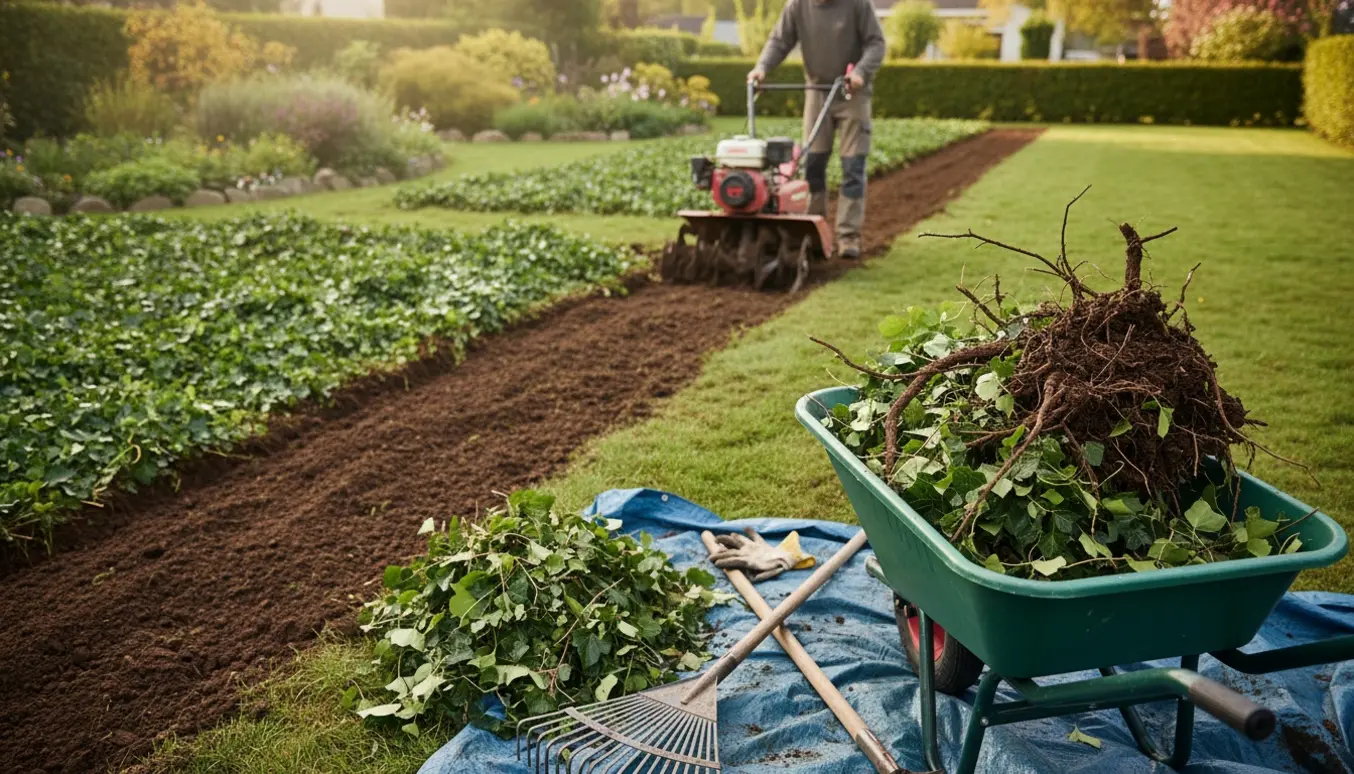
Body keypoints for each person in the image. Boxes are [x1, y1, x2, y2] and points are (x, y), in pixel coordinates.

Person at [747, 0, 886, 260]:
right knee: (813, 165)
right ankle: (813, 230)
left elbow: (876, 43)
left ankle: (848, 236)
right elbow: (779, 41)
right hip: (817, 91)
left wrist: (860, 72)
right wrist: (762, 68)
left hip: (851, 92)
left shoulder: (858, 5)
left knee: (852, 167)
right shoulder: (797, 7)